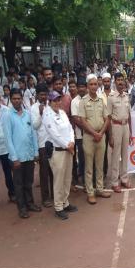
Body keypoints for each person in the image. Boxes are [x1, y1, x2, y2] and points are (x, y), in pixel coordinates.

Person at [3, 88, 41, 219]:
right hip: (17, 157)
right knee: (18, 184)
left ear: (21, 99)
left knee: (28, 181)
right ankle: (22, 208)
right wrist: (14, 158)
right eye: (14, 98)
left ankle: (30, 203)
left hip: (29, 154)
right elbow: (8, 139)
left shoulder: (27, 113)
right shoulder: (7, 116)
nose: (17, 100)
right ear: (11, 99)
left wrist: (36, 151)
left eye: (19, 98)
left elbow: (33, 134)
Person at [43, 91, 78, 220]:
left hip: (68, 150)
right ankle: (58, 207)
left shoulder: (62, 113)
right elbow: (54, 134)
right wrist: (67, 145)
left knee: (67, 178)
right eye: (54, 100)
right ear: (50, 102)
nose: (57, 102)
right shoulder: (47, 115)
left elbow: (69, 128)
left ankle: (65, 202)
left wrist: (72, 142)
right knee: (58, 180)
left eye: (59, 100)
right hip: (57, 151)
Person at [78, 74, 111, 204]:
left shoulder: (101, 100)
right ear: (87, 86)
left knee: (100, 164)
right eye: (90, 84)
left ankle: (100, 189)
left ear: (98, 85)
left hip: (101, 136)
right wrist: (94, 133)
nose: (93, 86)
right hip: (89, 137)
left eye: (95, 84)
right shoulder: (83, 101)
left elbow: (107, 118)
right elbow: (82, 120)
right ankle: (90, 192)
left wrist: (101, 133)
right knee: (89, 166)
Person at [108, 73, 132, 193]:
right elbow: (108, 117)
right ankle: (114, 181)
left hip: (125, 126)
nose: (120, 82)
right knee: (116, 155)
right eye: (118, 80)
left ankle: (124, 178)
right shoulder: (111, 97)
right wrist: (110, 135)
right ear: (115, 82)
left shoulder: (127, 96)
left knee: (125, 153)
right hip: (116, 126)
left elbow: (130, 115)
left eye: (122, 80)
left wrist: (131, 132)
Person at [31, 84, 54, 207]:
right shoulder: (34, 108)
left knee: (53, 170)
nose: (43, 96)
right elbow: (34, 126)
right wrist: (40, 114)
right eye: (41, 94)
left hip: (53, 142)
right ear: (37, 95)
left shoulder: (50, 105)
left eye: (45, 94)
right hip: (42, 144)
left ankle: (55, 194)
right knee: (44, 172)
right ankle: (45, 198)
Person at [70, 78, 87, 187]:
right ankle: (84, 180)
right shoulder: (74, 101)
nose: (81, 89)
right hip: (80, 136)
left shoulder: (89, 98)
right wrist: (88, 128)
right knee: (82, 158)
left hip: (90, 134)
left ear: (86, 87)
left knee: (90, 158)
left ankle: (89, 179)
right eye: (79, 87)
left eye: (83, 87)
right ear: (77, 88)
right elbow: (76, 119)